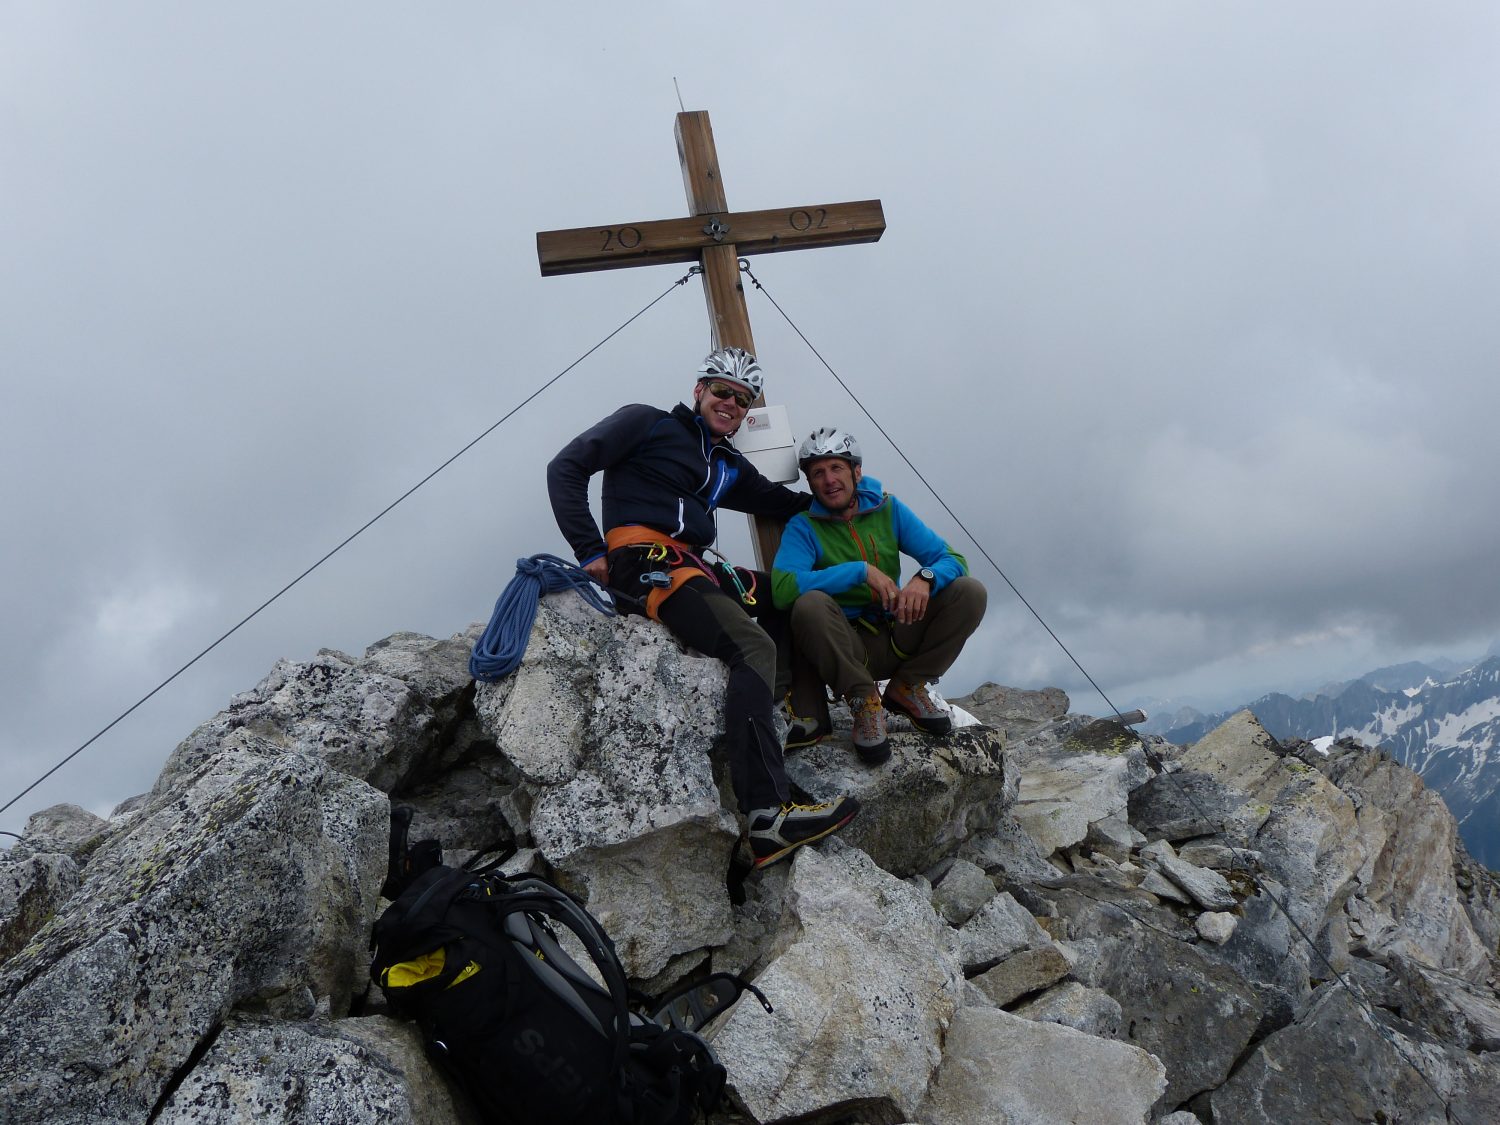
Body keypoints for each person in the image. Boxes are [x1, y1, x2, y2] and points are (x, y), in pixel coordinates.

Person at [546, 348, 858, 868]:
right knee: (751, 644)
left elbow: (784, 502)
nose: (730, 403)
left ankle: (777, 720)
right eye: (721, 391)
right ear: (699, 391)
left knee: (786, 593)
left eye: (742, 398)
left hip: (695, 566)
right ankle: (765, 815)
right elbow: (566, 466)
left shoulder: (726, 466)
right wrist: (590, 549)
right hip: (646, 560)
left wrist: (849, 494)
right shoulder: (645, 423)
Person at [772, 427, 987, 763]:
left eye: (837, 468)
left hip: (899, 629)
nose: (829, 480)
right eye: (818, 473)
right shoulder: (804, 526)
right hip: (848, 648)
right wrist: (859, 571)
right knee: (809, 605)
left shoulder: (889, 509)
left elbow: (954, 560)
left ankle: (908, 687)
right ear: (810, 483)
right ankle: (865, 702)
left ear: (857, 471)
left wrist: (925, 578)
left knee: (969, 592)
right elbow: (783, 589)